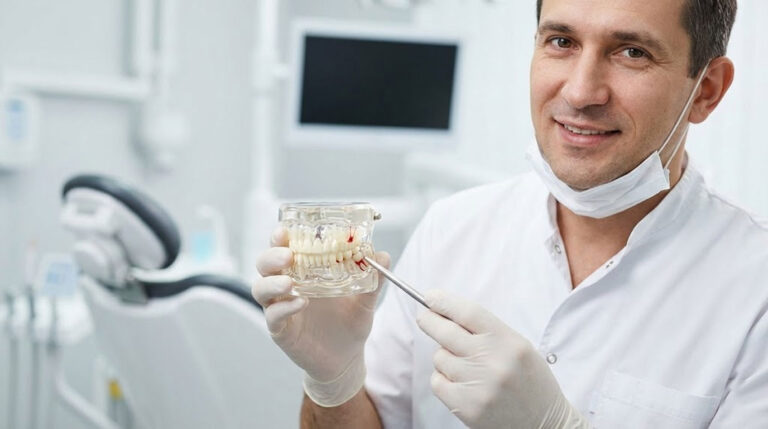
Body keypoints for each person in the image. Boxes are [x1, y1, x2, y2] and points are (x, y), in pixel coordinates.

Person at [253, 0, 768, 427]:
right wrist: (334, 380)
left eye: (631, 52)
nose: (581, 91)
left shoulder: (754, 294)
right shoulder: (452, 227)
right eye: (561, 42)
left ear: (706, 90)